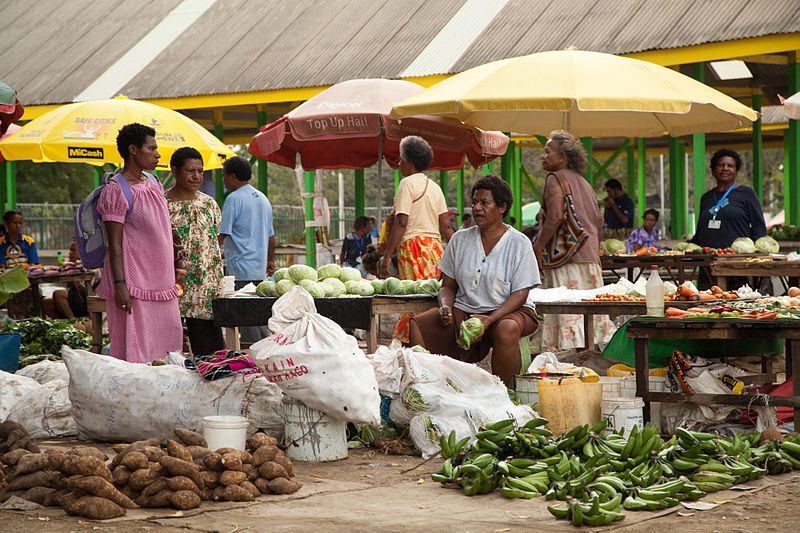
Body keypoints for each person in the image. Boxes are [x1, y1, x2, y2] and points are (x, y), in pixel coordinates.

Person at [409, 176, 540, 385]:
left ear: (502, 207)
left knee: (507, 329)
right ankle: (425, 386)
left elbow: (520, 293)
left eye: (484, 203)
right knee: (418, 325)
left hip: (510, 310)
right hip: (466, 309)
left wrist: (489, 319)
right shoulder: (460, 239)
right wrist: (446, 307)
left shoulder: (519, 243)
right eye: (474, 202)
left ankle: (503, 393)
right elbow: (448, 286)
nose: (477, 208)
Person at [96, 123, 184, 363]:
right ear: (133, 150)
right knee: (138, 351)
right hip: (134, 283)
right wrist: (121, 286)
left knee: (169, 348)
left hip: (163, 282)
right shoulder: (116, 191)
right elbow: (114, 245)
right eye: (152, 148)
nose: (157, 154)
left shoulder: (155, 182)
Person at [533, 130, 614, 350]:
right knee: (590, 315)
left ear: (562, 158)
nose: (543, 156)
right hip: (589, 261)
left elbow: (556, 217)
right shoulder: (585, 183)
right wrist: (594, 253)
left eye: (547, 152)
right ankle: (590, 357)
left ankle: (568, 362)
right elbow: (598, 220)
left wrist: (538, 246)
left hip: (565, 260)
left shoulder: (555, 178)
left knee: (567, 314)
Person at [379, 136, 453, 342]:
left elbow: (401, 223)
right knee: (429, 299)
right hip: (435, 249)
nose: (399, 164)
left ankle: (410, 342)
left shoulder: (406, 184)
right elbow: (446, 226)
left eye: (401, 160)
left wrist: (386, 257)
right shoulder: (435, 187)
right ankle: (429, 340)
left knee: (411, 300)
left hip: (413, 247)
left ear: (409, 163)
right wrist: (459, 252)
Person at [167, 147, 225, 355]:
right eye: (190, 171)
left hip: (205, 291)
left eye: (200, 171)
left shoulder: (209, 204)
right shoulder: (162, 204)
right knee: (169, 352)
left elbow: (215, 240)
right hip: (172, 286)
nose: (197, 176)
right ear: (174, 170)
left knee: (211, 354)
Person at [219, 155, 275, 343]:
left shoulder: (233, 199)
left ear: (233, 176)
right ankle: (265, 355)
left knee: (245, 317)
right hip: (259, 269)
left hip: (240, 269)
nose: (223, 180)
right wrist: (270, 261)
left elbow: (223, 233)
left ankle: (253, 360)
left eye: (224, 175)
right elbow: (271, 235)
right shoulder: (263, 198)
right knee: (259, 317)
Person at [690, 148, 766, 249]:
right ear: (713, 170)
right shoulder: (706, 198)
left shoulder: (747, 194)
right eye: (721, 165)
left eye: (730, 166)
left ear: (736, 171)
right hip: (708, 258)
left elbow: (759, 229)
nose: (725, 168)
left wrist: (750, 252)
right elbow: (700, 232)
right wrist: (687, 248)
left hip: (735, 259)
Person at [41, 241, 90, 322]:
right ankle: (66, 323)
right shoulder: (69, 265)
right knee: (45, 303)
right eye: (70, 250)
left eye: (73, 250)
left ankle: (74, 321)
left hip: (85, 300)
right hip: (74, 301)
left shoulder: (87, 264)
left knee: (58, 294)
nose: (70, 253)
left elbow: (85, 289)